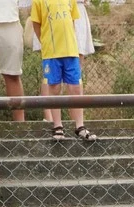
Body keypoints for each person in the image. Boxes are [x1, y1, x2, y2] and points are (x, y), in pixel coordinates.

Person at [31, 0, 95, 141]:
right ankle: (57, 126)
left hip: (71, 52)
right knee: (54, 88)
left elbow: (72, 22)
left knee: (75, 88)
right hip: (51, 54)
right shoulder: (38, 2)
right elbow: (36, 25)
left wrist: (71, 44)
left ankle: (80, 126)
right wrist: (46, 43)